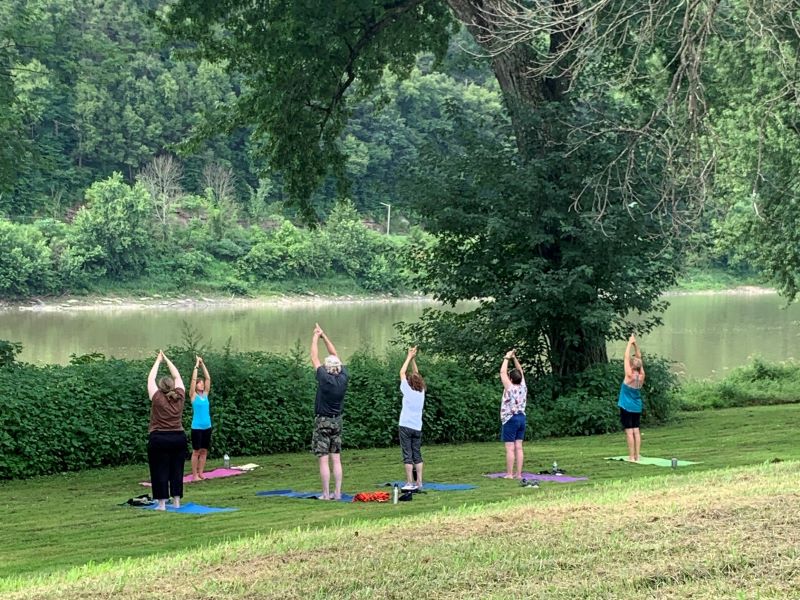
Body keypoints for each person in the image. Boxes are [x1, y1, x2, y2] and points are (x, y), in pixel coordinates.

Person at [310, 323, 348, 500]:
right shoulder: (343, 377)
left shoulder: (325, 378)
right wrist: (324, 336)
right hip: (337, 421)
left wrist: (315, 337)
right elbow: (335, 355)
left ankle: (326, 494)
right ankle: (338, 493)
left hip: (323, 421)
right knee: (336, 459)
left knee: (323, 459)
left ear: (327, 368)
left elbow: (314, 357)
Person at [146, 350, 187, 510]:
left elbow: (151, 378)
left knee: (159, 470)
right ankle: (176, 502)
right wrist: (168, 359)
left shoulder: (157, 397)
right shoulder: (179, 396)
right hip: (178, 438)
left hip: (159, 438)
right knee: (177, 470)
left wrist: (158, 360)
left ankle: (162, 503)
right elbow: (177, 377)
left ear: (160, 387)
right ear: (172, 386)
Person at [398, 346, 426, 491]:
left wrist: (409, 357)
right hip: (417, 427)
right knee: (417, 455)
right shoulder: (421, 391)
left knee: (407, 455)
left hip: (405, 426)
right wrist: (414, 359)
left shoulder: (407, 390)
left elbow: (402, 372)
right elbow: (417, 374)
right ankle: (419, 482)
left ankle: (409, 482)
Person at [500, 349, 527, 479]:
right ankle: (519, 474)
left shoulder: (509, 388)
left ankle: (510, 474)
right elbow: (520, 370)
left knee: (510, 448)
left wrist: (506, 358)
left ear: (511, 378)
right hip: (522, 417)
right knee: (519, 447)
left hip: (510, 418)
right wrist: (514, 358)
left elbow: (502, 372)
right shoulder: (523, 386)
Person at [619, 334, 645, 461]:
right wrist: (636, 345)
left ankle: (631, 457)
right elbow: (639, 358)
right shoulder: (641, 376)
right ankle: (637, 455)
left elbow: (625, 357)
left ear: (632, 365)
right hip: (636, 406)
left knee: (629, 432)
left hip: (626, 406)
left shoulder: (629, 375)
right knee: (636, 430)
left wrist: (630, 343)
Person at [189, 356, 212, 481]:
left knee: (204, 451)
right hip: (197, 427)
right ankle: (194, 475)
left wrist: (203, 363)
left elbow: (208, 378)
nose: (202, 384)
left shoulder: (206, 395)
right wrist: (196, 365)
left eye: (202, 383)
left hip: (207, 426)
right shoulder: (193, 396)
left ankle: (201, 473)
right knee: (196, 451)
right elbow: (193, 380)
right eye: (200, 383)